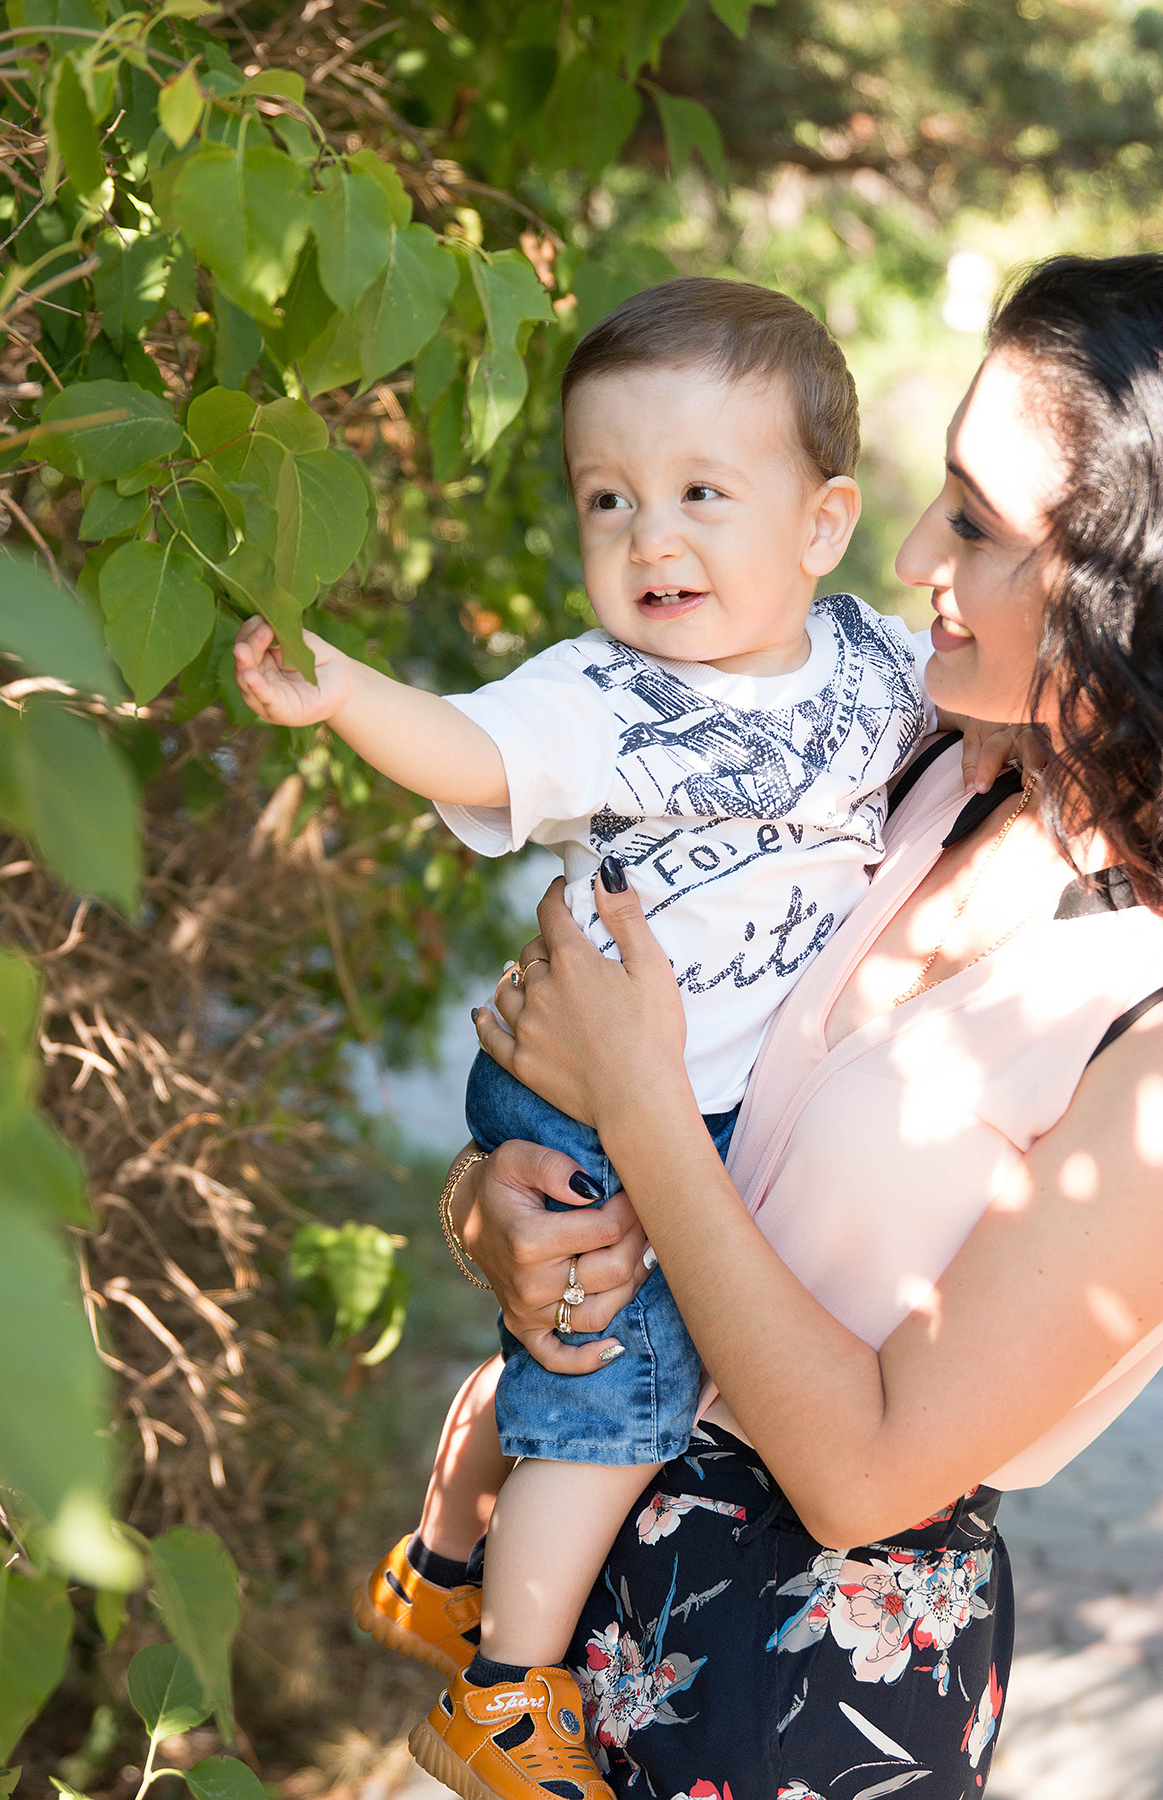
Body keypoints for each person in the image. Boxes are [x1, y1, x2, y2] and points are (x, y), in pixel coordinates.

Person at [235, 279, 1002, 1800]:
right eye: (609, 499)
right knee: (615, 1391)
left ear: (824, 522)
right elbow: (475, 746)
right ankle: (503, 1690)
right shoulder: (600, 694)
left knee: (580, 1349)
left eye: (703, 494)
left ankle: (443, 1562)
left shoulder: (873, 670)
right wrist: (346, 695)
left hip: (688, 1107)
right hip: (602, 1098)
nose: (652, 540)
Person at [414, 251, 1163, 1799]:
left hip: (805, 1693)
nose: (911, 551)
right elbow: (661, 1095)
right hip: (566, 1600)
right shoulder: (925, 774)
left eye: (975, 523)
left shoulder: (1143, 1027)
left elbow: (861, 1476)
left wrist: (637, 1111)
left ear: (1126, 595)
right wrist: (498, 1214)